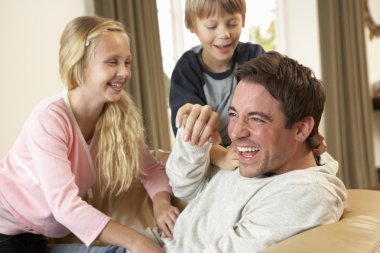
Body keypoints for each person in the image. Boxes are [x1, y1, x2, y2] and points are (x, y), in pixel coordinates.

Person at [0, 16, 179, 253]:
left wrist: (161, 204)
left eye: (127, 62)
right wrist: (137, 241)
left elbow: (152, 170)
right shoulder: (49, 118)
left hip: (37, 238)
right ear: (79, 65)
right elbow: (66, 206)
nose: (124, 72)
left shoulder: (117, 118)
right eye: (112, 62)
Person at [157, 51, 347, 252]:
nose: (236, 133)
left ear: (300, 129)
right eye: (233, 114)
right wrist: (193, 136)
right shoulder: (257, 158)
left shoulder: (305, 194)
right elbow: (184, 188)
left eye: (256, 119)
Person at [169, 0, 265, 169]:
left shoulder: (254, 56)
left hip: (249, 147)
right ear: (192, 26)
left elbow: (283, 101)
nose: (224, 34)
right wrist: (221, 156)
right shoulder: (187, 69)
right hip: (207, 155)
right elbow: (188, 133)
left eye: (232, 23)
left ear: (243, 20)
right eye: (212, 26)